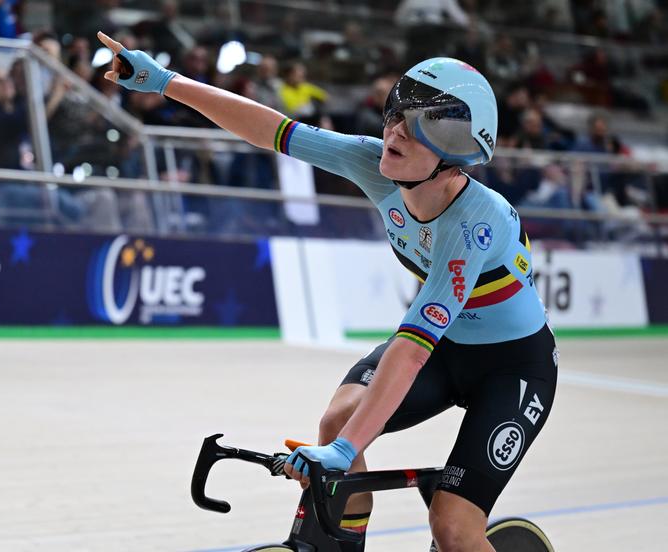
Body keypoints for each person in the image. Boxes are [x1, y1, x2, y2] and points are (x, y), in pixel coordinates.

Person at [97, 33, 558, 552]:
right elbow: (273, 130)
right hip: (449, 351)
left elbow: (409, 351)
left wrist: (344, 450)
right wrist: (166, 82)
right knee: (339, 418)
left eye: (415, 126)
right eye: (393, 115)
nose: (392, 133)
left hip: (512, 369)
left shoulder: (476, 224)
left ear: (455, 152)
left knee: (452, 529)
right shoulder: (375, 165)